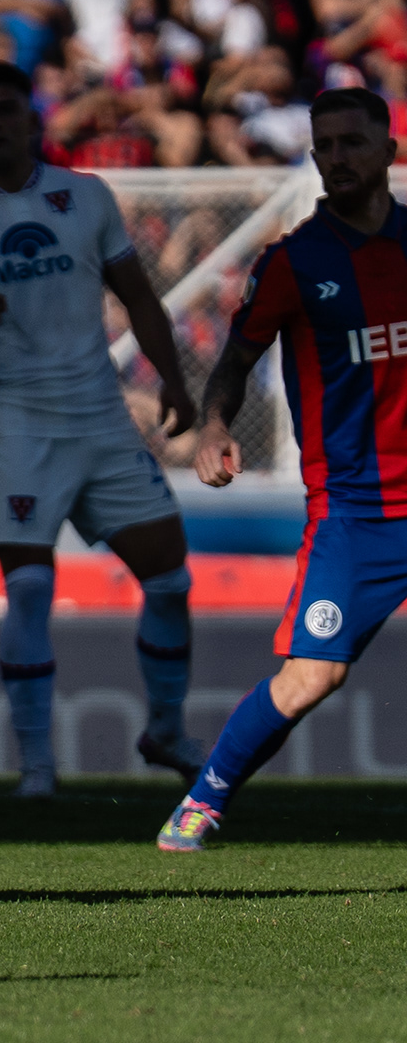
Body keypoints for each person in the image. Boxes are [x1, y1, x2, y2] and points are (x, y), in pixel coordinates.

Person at [0, 60, 200, 798]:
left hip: (100, 418)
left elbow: (140, 296)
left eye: (5, 110)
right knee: (29, 589)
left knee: (172, 577)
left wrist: (175, 381)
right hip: (19, 428)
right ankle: (37, 769)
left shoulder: (85, 197)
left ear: (33, 121)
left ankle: (164, 728)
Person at [159, 87, 407, 849]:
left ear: (389, 150)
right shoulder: (294, 262)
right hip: (357, 515)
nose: (334, 157)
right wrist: (215, 425)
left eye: (349, 143)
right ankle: (204, 798)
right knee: (310, 678)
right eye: (323, 144)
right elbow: (237, 358)